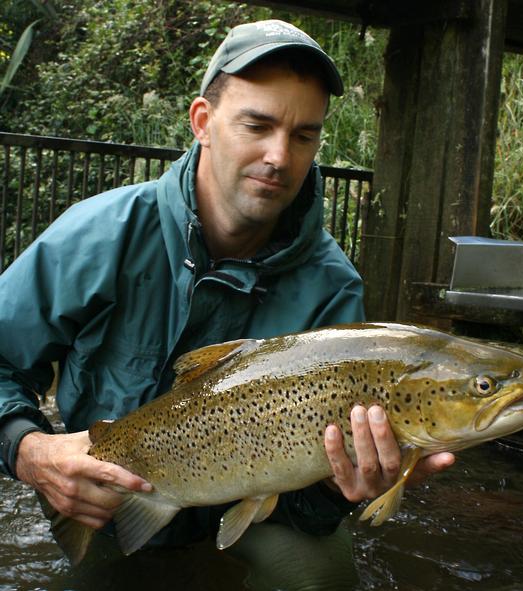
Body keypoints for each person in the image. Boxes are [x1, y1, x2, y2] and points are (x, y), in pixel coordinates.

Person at [0, 19, 454, 554]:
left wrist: (340, 490)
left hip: (254, 521)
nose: (280, 157)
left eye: (303, 135)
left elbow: (307, 508)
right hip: (112, 502)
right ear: (203, 121)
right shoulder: (99, 235)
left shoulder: (332, 288)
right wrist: (29, 451)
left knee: (316, 572)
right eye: (257, 126)